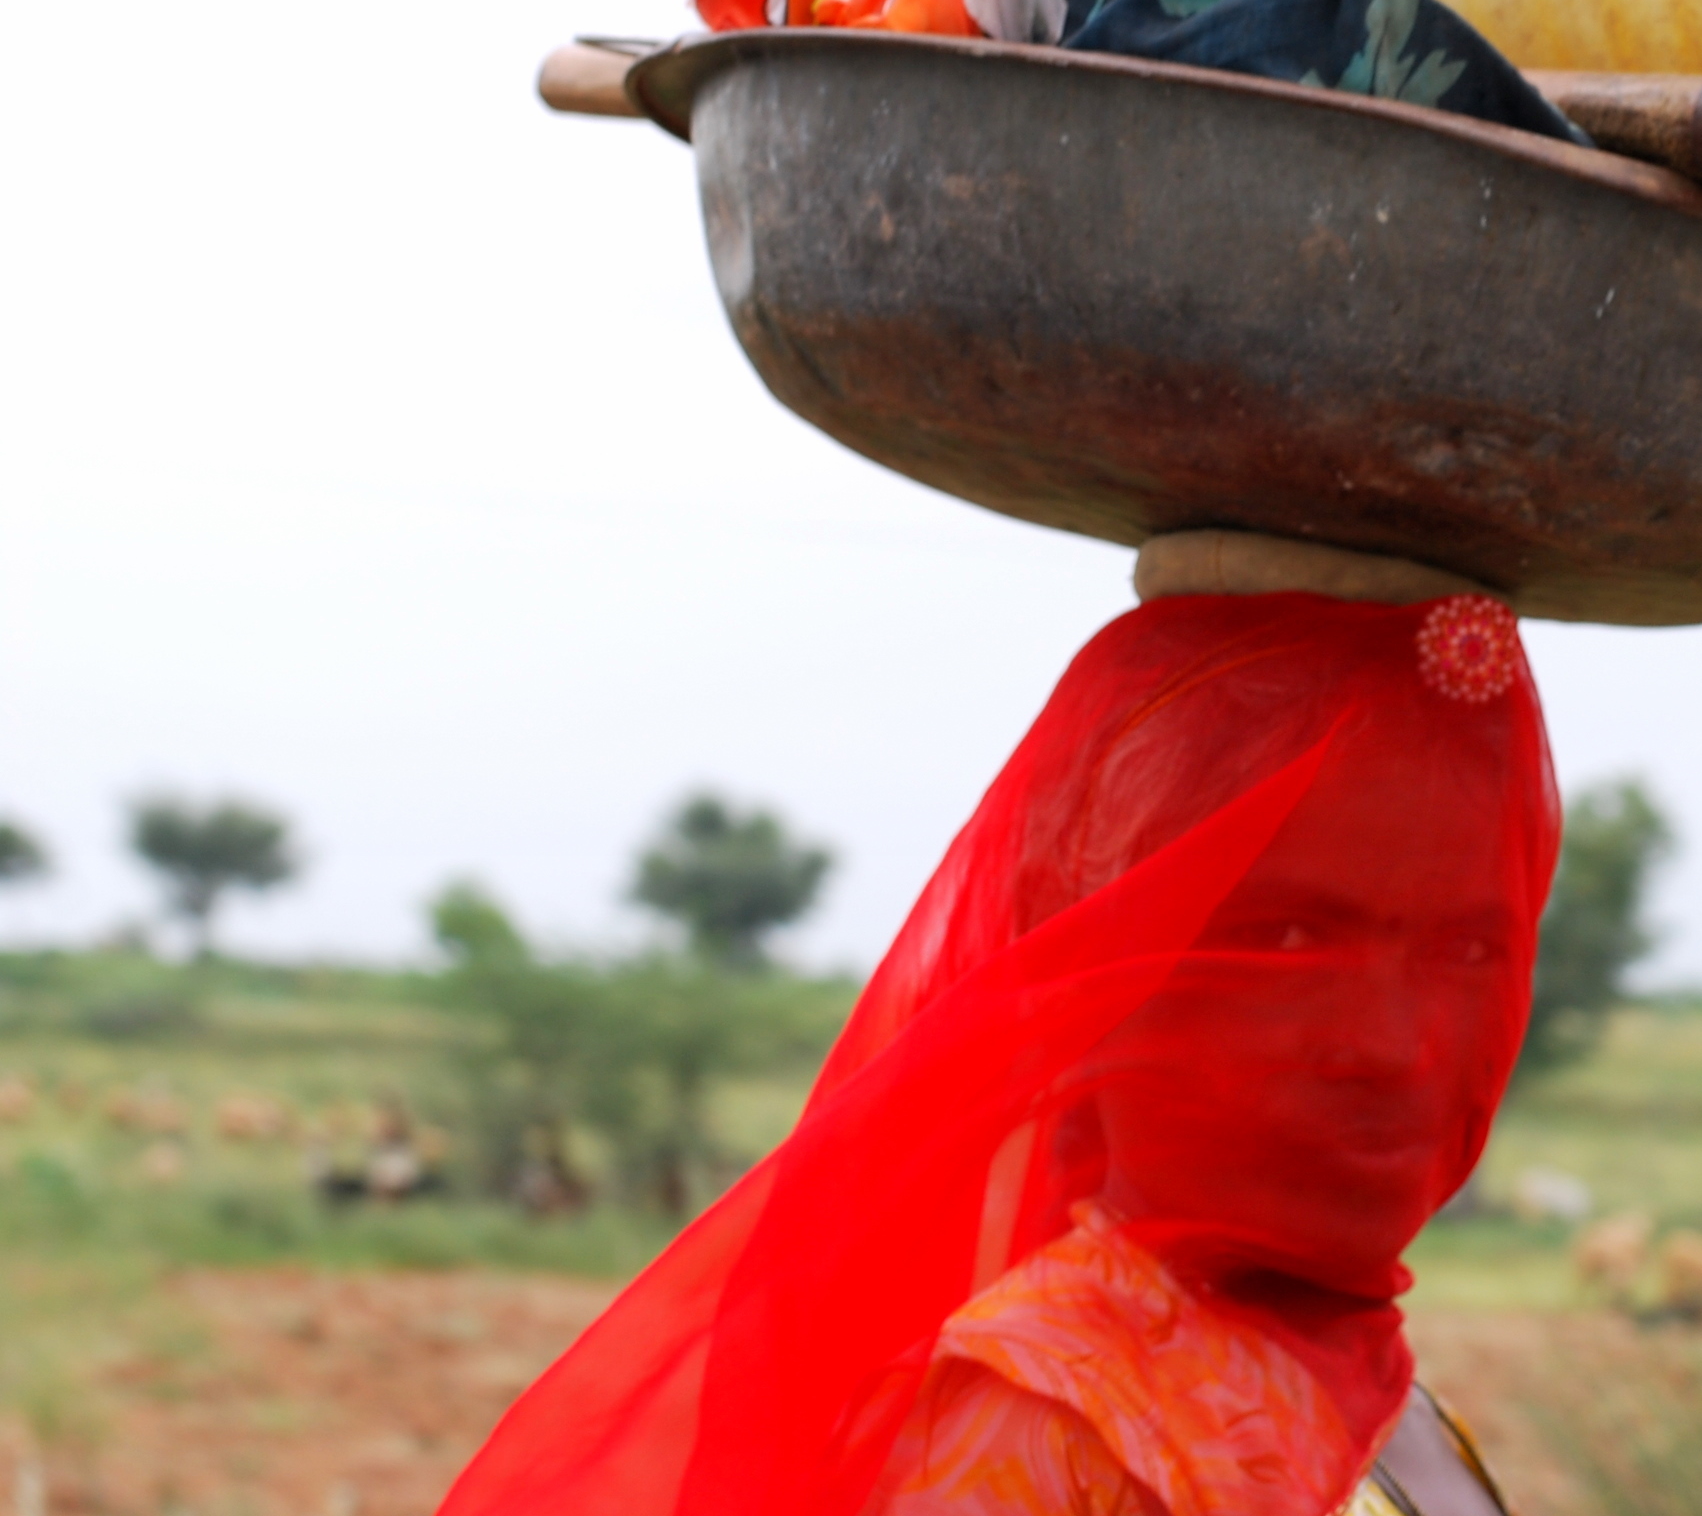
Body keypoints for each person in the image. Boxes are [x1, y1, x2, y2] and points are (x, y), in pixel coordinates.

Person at [441, 588, 1557, 1516]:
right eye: (1288, 940)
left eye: (1467, 950)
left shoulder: (1384, 1398)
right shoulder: (1045, 1423)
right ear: (1103, 970)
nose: (1391, 1047)